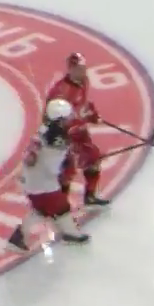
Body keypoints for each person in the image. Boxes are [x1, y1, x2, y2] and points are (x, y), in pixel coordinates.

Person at [7, 98, 90, 251]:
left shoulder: (45, 130)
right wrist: (67, 167)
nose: (69, 121)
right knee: (61, 207)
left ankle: (18, 237)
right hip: (43, 184)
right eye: (66, 119)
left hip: (32, 180)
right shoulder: (56, 140)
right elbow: (52, 167)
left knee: (41, 211)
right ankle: (71, 234)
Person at [45, 52, 109, 207]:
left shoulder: (84, 81)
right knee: (68, 170)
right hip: (64, 135)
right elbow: (53, 118)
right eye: (80, 69)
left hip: (79, 131)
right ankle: (60, 204)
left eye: (84, 68)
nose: (83, 72)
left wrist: (92, 114)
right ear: (71, 69)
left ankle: (90, 195)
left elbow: (84, 103)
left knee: (93, 157)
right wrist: (81, 120)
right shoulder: (60, 92)